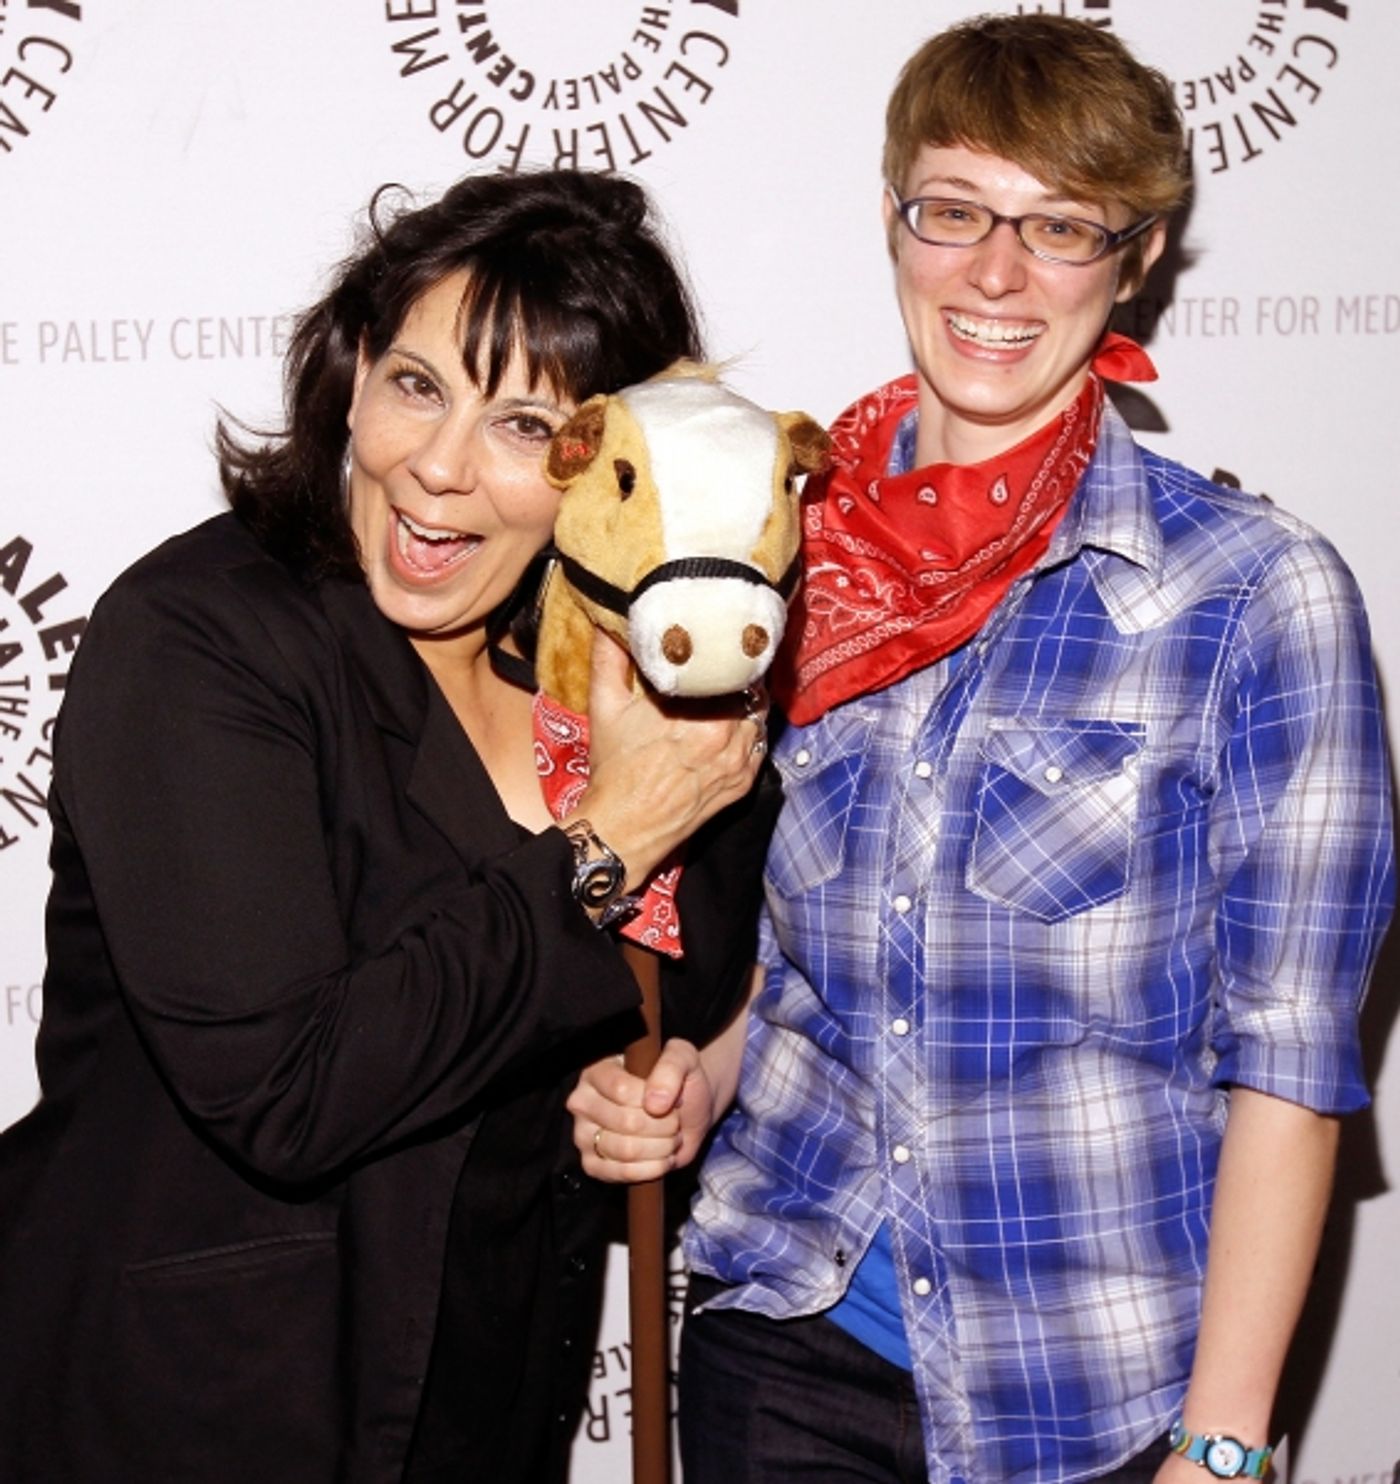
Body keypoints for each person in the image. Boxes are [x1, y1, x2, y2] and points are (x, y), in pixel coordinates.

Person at [567, 15, 1395, 1484]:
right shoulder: (778, 557)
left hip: (1087, 1388)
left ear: (1135, 259)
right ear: (896, 219)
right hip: (788, 1343)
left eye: (1060, 226)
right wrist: (700, 1075)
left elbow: (1290, 1069)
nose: (995, 274)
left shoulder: (1254, 595)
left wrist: (1221, 1453)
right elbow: (806, 960)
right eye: (953, 211)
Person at [0, 168, 780, 1484]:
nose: (438, 464)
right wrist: (604, 846)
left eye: (525, 424)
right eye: (416, 384)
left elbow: (689, 989)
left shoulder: (604, 666)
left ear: (608, 462)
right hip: (194, 1406)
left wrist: (659, 1091)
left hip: (482, 1392)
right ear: (353, 372)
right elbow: (288, 1090)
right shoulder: (204, 636)